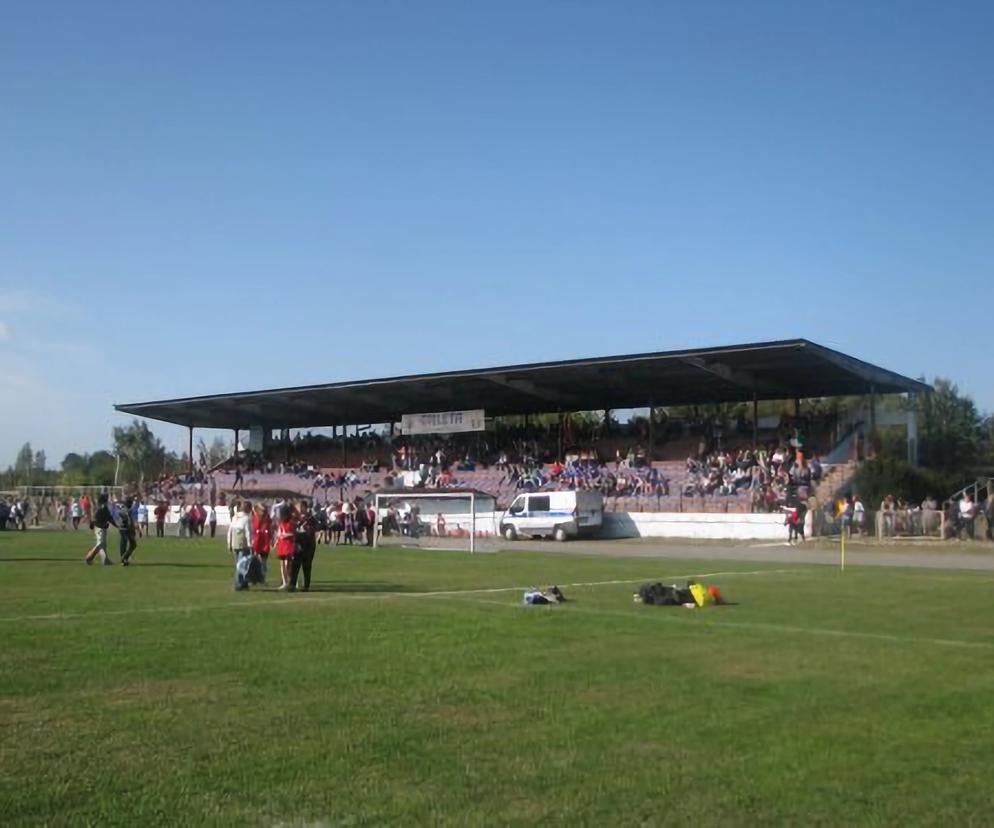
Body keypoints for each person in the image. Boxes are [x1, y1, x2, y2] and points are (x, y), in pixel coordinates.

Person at [289, 501, 317, 592]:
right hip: (297, 543)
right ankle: (292, 584)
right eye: (298, 507)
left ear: (305, 507)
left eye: (301, 507)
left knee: (306, 565)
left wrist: (306, 528)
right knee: (294, 565)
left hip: (308, 544)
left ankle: (306, 585)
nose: (300, 509)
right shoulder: (294, 519)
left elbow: (314, 529)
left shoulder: (310, 518)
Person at [228, 500, 254, 590]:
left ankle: (243, 582)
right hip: (243, 543)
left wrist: (229, 544)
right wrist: (251, 544)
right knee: (242, 564)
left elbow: (230, 531)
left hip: (235, 542)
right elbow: (248, 532)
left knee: (238, 564)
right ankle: (239, 583)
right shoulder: (246, 518)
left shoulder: (235, 517)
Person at [85, 493, 117, 565]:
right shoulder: (103, 507)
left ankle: (105, 560)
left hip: (99, 527)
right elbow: (109, 517)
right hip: (100, 527)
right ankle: (89, 556)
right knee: (100, 543)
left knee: (103, 545)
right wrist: (116, 525)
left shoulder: (99, 506)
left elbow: (94, 516)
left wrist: (92, 523)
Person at [274, 504, 296, 589]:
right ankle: (284, 582)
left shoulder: (291, 523)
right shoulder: (280, 523)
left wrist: (284, 535)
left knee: (287, 564)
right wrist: (276, 541)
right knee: (282, 564)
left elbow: (292, 533)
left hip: (288, 546)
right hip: (281, 545)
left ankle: (290, 580)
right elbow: (279, 533)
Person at [251, 502, 272, 582]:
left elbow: (270, 530)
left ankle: (262, 577)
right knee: (255, 560)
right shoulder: (254, 517)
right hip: (256, 541)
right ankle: (254, 577)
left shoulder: (267, 518)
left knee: (263, 562)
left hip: (264, 542)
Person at [118, 497, 138, 566]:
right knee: (133, 544)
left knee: (123, 544)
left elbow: (120, 514)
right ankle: (124, 558)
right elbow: (130, 521)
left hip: (121, 528)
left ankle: (123, 560)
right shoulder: (128, 510)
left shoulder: (122, 509)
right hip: (127, 529)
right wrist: (133, 530)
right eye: (131, 503)